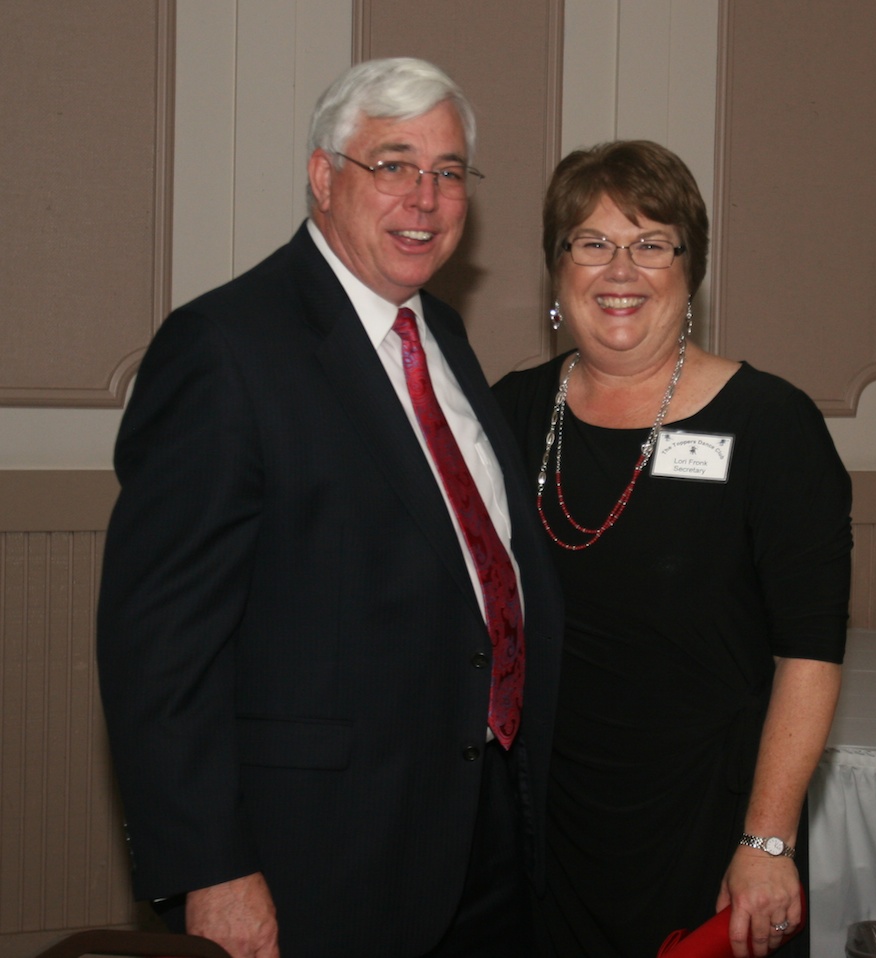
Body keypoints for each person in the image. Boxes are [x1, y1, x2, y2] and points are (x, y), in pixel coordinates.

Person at [96, 57, 563, 958]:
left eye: (448, 172)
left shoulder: (441, 333)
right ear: (323, 176)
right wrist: (212, 870)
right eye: (393, 165)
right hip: (321, 859)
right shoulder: (224, 348)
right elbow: (159, 650)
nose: (425, 199)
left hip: (482, 829)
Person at [493, 140, 851, 958]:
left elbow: (809, 654)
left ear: (691, 272)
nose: (621, 270)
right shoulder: (509, 413)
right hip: (546, 829)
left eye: (652, 243)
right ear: (557, 268)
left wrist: (767, 842)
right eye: (592, 242)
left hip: (711, 827)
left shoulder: (772, 426)